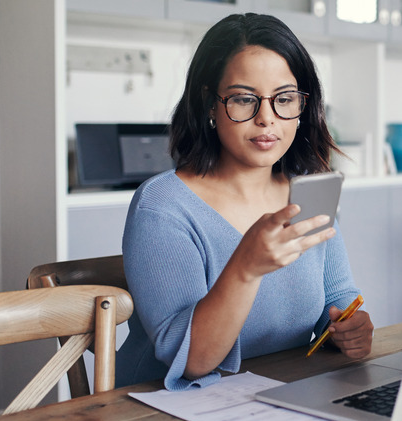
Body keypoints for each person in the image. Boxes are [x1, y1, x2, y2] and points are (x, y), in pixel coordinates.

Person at [117, 13, 374, 391]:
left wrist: (349, 327)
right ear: (209, 103)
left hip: (278, 395)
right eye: (243, 99)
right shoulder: (162, 205)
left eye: (284, 99)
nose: (267, 119)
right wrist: (245, 268)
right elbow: (191, 362)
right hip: (162, 412)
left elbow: (337, 298)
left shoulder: (307, 191)